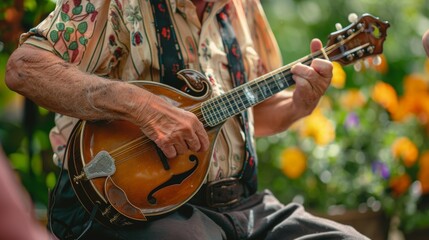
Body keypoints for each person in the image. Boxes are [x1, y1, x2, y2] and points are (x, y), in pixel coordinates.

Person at [5, 0, 368, 239]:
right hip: (133, 211)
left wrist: (298, 105)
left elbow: (249, 116)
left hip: (242, 207)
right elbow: (24, 69)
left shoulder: (242, 7)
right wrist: (139, 106)